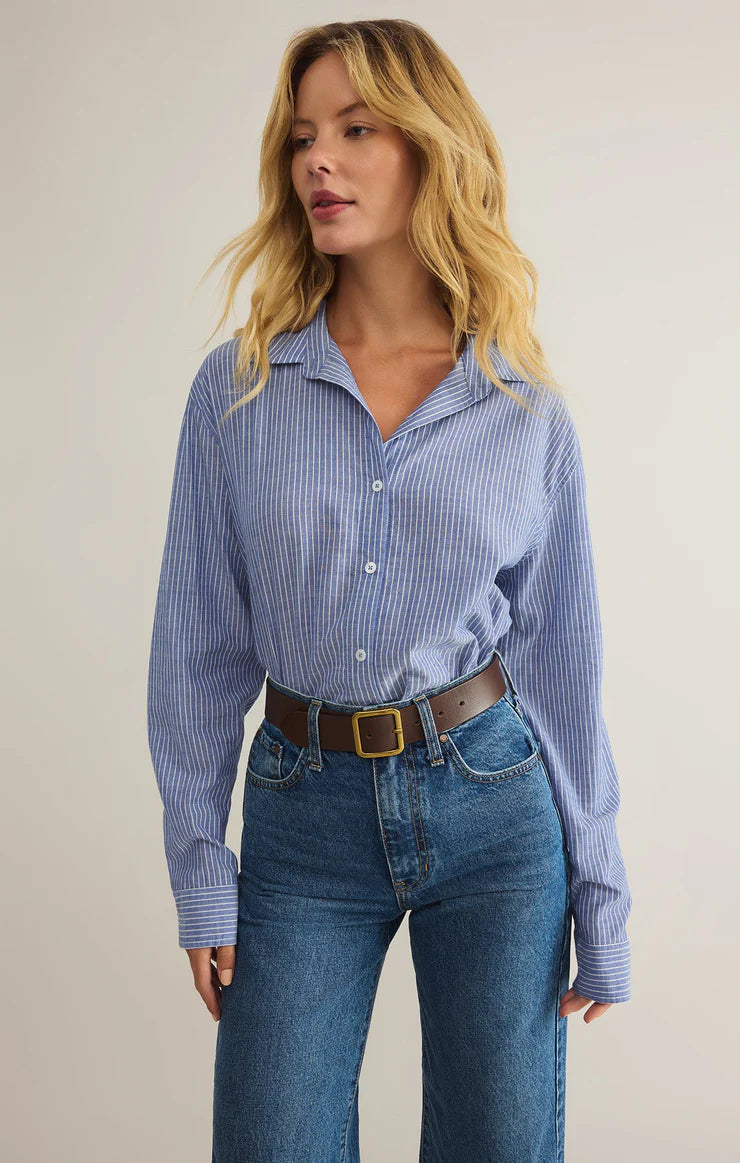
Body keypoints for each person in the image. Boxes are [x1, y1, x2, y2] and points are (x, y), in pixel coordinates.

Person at [147, 18, 632, 1162]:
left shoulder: (521, 408)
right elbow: (196, 651)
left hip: (491, 802)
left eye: (356, 129)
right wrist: (200, 871)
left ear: (429, 147)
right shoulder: (237, 391)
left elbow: (561, 664)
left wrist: (601, 892)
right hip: (301, 812)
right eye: (301, 136)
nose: (317, 159)